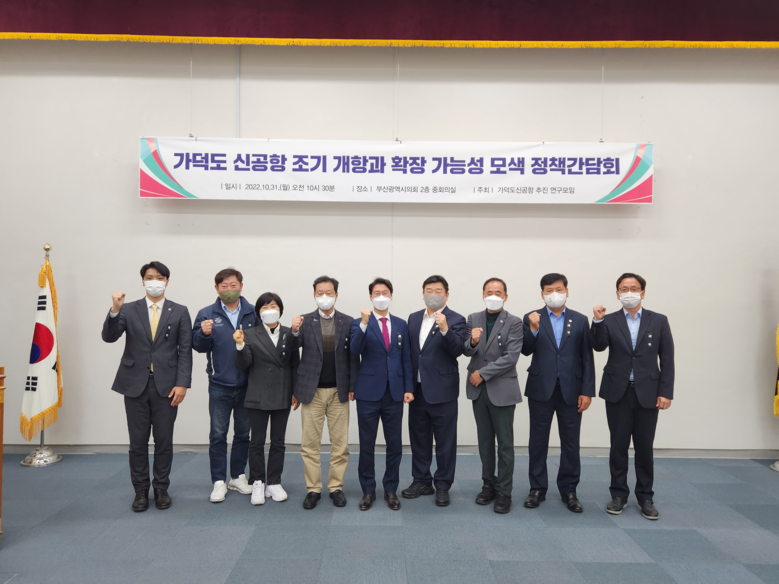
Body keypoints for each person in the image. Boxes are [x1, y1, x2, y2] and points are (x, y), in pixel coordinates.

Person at [101, 261, 192, 512]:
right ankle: (140, 490)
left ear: (167, 281)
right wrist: (114, 310)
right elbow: (109, 337)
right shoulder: (128, 309)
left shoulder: (180, 311)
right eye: (150, 277)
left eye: (160, 277)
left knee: (164, 440)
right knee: (137, 441)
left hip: (167, 386)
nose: (155, 281)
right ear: (143, 281)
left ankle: (161, 488)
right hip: (135, 384)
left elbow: (185, 351)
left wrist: (182, 383)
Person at [591, 273, 674, 520]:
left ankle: (645, 497)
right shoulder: (609, 320)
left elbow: (667, 358)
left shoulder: (658, 320)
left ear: (643, 292)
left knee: (644, 447)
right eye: (624, 288)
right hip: (618, 391)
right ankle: (618, 494)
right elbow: (598, 346)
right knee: (618, 446)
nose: (629, 292)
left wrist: (665, 392)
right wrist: (597, 321)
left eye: (634, 288)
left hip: (648, 392)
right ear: (617, 293)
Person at [521, 273, 595, 513]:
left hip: (572, 391)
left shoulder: (580, 320)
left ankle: (569, 490)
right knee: (537, 441)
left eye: (559, 289)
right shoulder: (532, 317)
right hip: (540, 389)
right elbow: (525, 350)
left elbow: (587, 358)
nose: (554, 294)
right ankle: (537, 488)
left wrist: (587, 391)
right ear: (542, 293)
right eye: (549, 290)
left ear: (567, 291)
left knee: (571, 443)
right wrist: (533, 329)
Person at [290, 276, 359, 510]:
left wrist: (352, 386)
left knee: (340, 445)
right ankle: (313, 489)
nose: (324, 297)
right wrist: (294, 331)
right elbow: (292, 352)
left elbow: (354, 357)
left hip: (339, 391)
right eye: (320, 293)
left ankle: (336, 487)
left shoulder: (348, 322)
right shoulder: (304, 321)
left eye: (329, 292)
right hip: (312, 392)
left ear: (336, 295)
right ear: (314, 295)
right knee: (310, 445)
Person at [192, 268, 260, 503]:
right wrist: (203, 333)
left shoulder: (253, 312)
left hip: (247, 384)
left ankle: (238, 476)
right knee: (218, 434)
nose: (229, 289)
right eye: (224, 286)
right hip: (219, 385)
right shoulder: (206, 314)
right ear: (216, 288)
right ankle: (219, 481)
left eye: (233, 285)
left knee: (243, 433)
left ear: (241, 286)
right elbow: (198, 346)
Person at [402, 275, 467, 507]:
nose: (433, 295)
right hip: (417, 390)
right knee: (419, 439)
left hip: (443, 391)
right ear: (423, 294)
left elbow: (458, 349)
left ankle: (443, 485)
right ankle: (421, 481)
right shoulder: (413, 318)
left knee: (445, 442)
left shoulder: (456, 319)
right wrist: (408, 387)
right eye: (429, 290)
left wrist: (445, 329)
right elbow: (411, 354)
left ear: (446, 295)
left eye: (438, 291)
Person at [350, 277, 414, 511]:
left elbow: (406, 358)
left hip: (394, 393)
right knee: (366, 444)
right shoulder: (359, 323)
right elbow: (355, 349)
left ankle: (390, 490)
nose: (381, 296)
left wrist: (409, 388)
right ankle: (368, 490)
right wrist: (364, 324)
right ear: (370, 297)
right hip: (368, 392)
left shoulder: (400, 324)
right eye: (376, 293)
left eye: (385, 292)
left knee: (394, 445)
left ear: (391, 295)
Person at [463, 277, 523, 514]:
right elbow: (466, 349)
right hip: (479, 392)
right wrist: (472, 341)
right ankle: (488, 484)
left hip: (502, 389)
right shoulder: (473, 318)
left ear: (505, 296)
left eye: (498, 292)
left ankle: (504, 491)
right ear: (483, 294)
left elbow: (511, 357)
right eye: (489, 292)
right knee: (485, 441)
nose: (493, 296)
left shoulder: (515, 322)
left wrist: (483, 373)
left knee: (505, 444)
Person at [234, 293, 300, 506]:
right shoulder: (249, 334)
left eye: (273, 306)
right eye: (264, 307)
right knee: (256, 441)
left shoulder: (289, 333)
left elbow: (295, 364)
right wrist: (240, 345)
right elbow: (244, 364)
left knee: (278, 441)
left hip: (282, 392)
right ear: (258, 312)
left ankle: (274, 481)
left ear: (280, 310)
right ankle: (257, 481)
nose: (269, 310)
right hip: (257, 393)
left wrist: (295, 391)